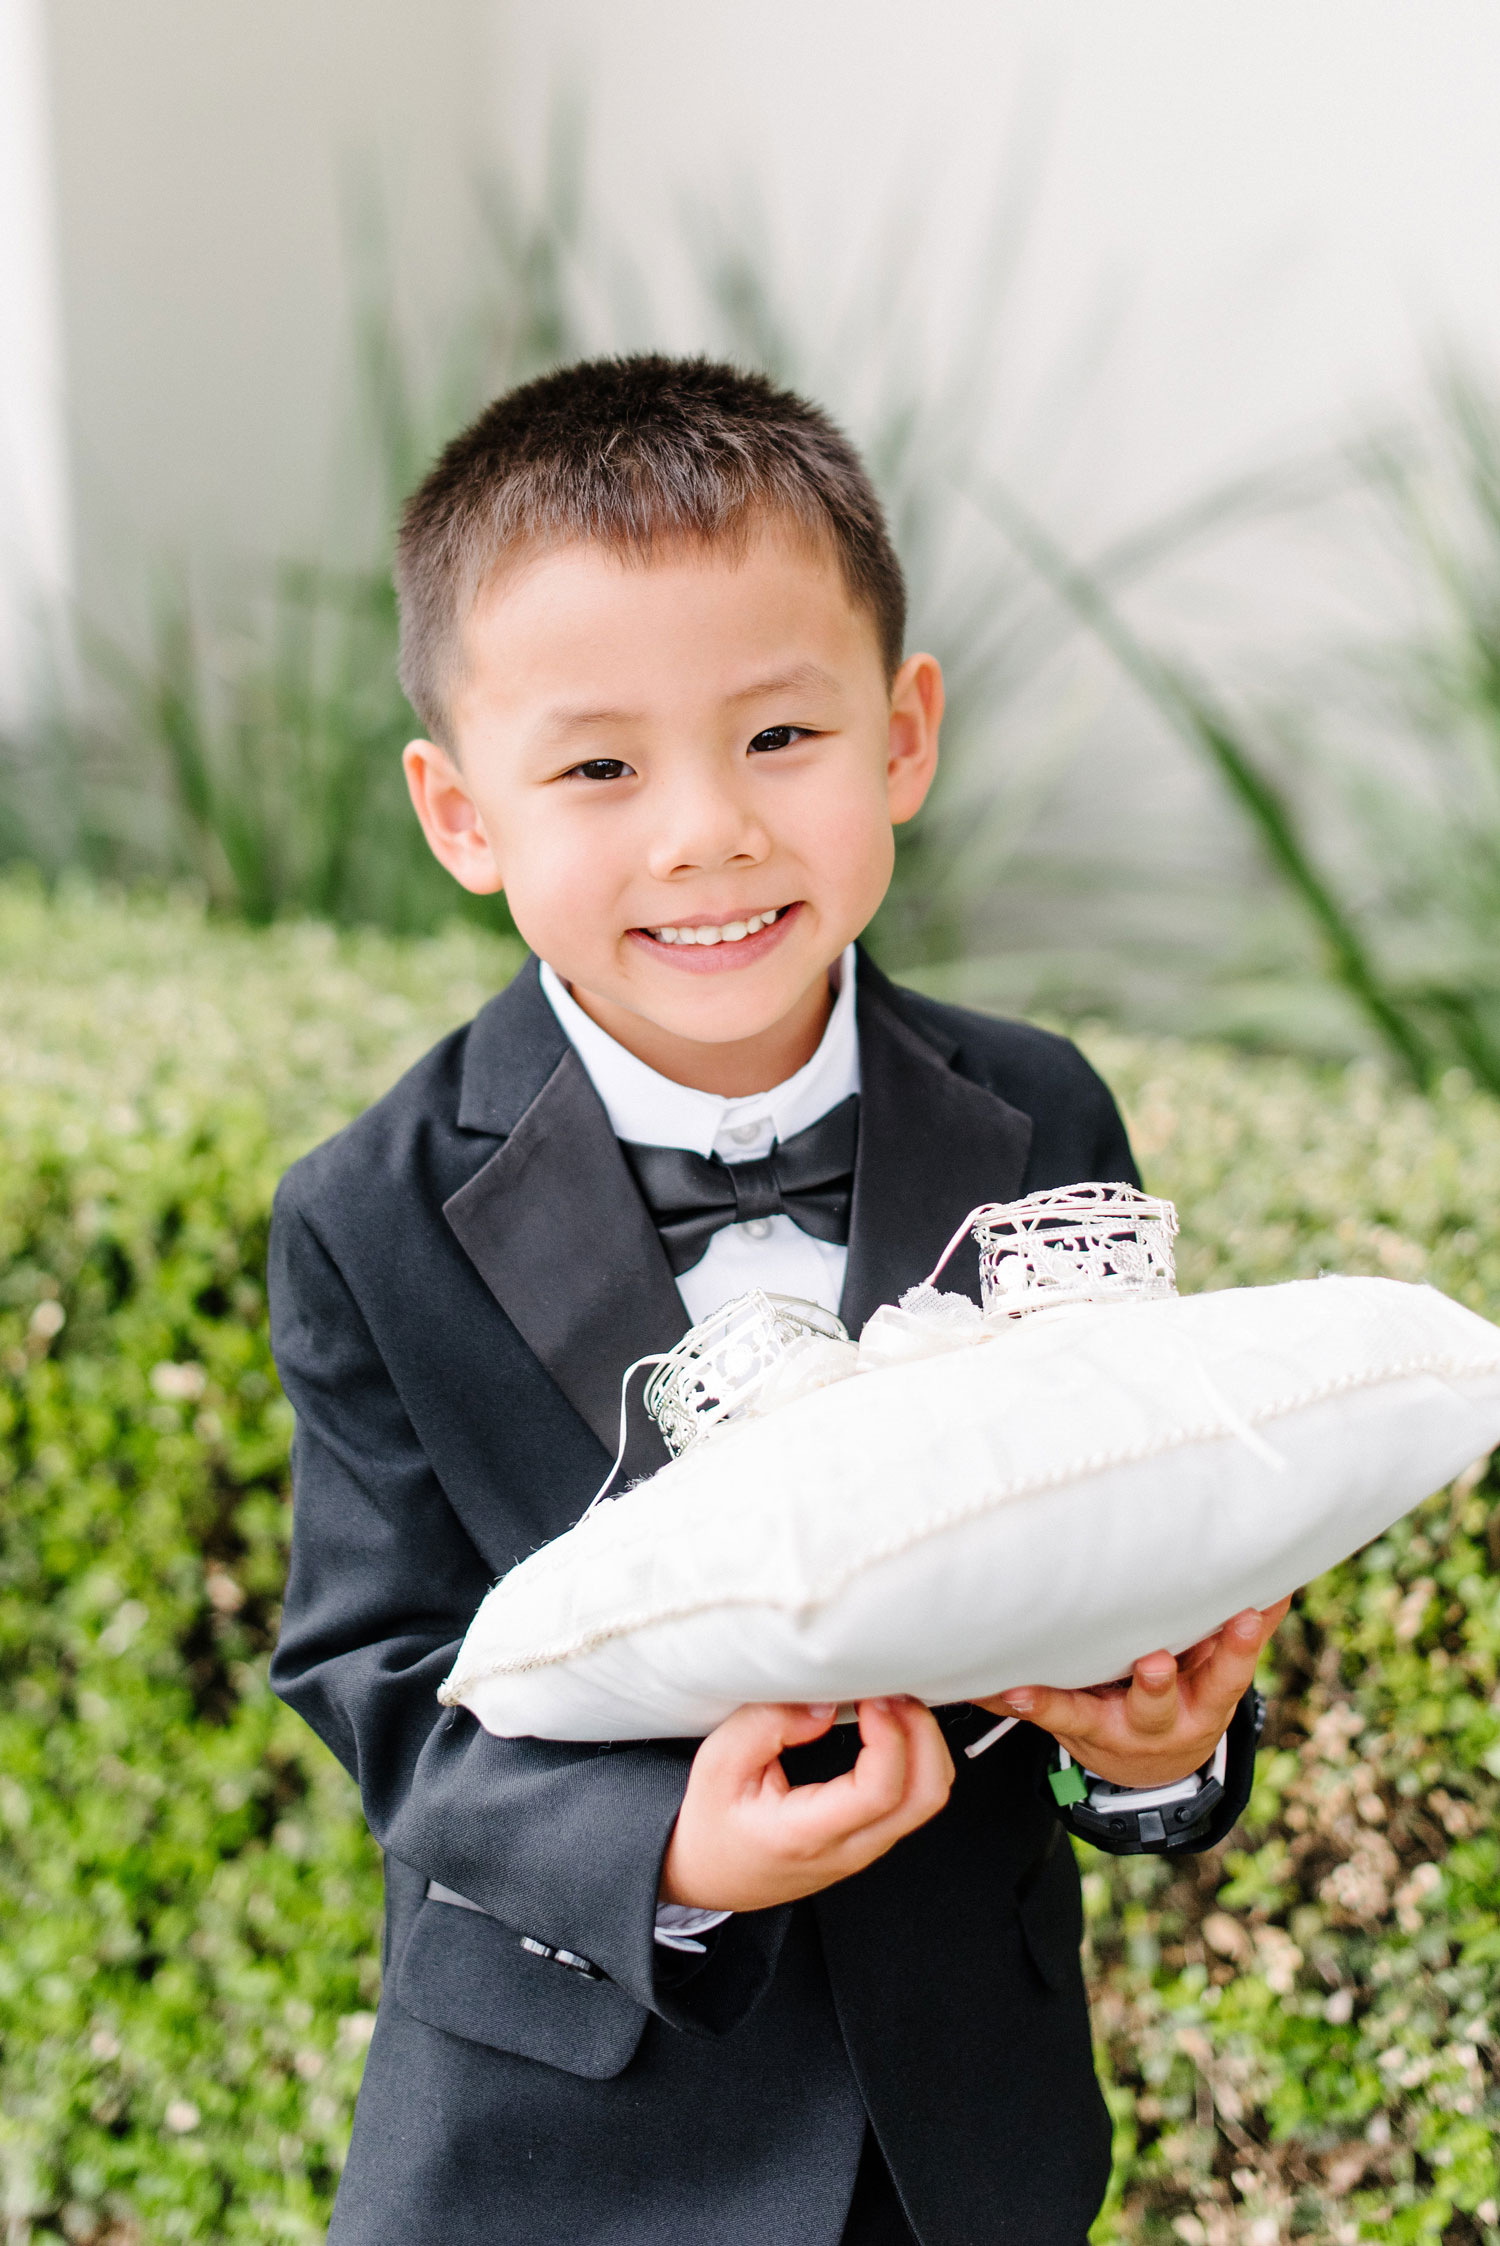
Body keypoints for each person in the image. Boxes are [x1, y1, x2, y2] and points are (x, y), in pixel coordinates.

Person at [268, 355, 1286, 2246]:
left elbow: (1125, 1519)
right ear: (460, 811)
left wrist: (1159, 1741)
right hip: (555, 2155)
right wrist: (670, 1846)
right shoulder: (369, 1214)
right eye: (597, 767)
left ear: (902, 735)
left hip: (961, 2143)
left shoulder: (1039, 1109)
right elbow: (382, 1674)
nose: (704, 833)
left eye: (778, 740)